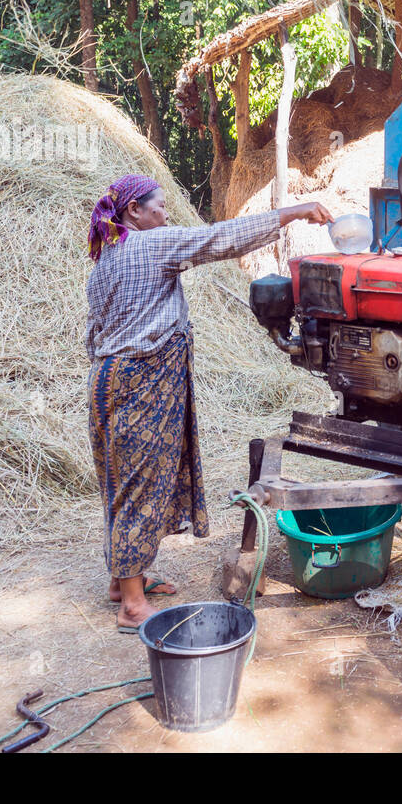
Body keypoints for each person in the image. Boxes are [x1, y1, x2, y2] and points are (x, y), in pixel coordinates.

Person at [84, 174, 332, 632]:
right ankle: (132, 607)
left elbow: (92, 333)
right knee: (140, 483)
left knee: (121, 482)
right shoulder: (150, 245)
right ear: (134, 212)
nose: (165, 212)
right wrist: (295, 212)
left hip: (106, 380)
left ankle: (124, 582)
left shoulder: (106, 259)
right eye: (158, 205)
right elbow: (219, 238)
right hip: (141, 380)